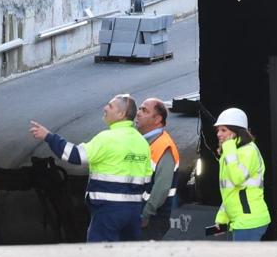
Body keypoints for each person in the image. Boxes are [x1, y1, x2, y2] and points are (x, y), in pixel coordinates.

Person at [29, 94, 152, 242]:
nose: (105, 108)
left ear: (121, 114)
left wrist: (49, 136)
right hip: (133, 213)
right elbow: (148, 180)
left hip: (108, 212)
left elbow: (74, 155)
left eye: (110, 106)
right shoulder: (142, 142)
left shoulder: (108, 138)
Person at [210, 108, 270, 242]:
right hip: (242, 221)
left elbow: (237, 179)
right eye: (218, 130)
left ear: (236, 131)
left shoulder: (248, 151)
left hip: (249, 222)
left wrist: (229, 147)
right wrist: (222, 218)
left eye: (224, 130)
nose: (219, 134)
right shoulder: (230, 153)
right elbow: (229, 193)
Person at [135, 97, 180, 240]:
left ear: (157, 119)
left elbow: (162, 187)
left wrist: (146, 213)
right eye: (139, 108)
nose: (138, 113)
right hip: (142, 215)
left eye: (144, 110)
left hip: (151, 219)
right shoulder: (144, 142)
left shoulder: (164, 146)